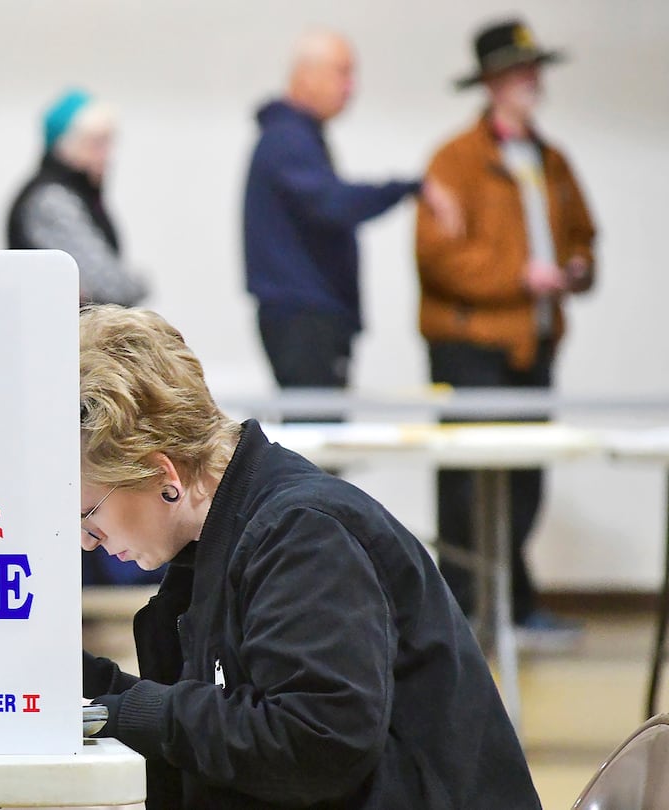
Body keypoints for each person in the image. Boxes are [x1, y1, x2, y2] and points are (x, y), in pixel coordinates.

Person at [78, 305, 540, 809]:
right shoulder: (219, 543)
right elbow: (215, 721)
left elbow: (316, 741)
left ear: (160, 472)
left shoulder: (305, 533)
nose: (87, 539)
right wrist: (86, 688)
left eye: (88, 511)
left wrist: (121, 713)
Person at [416, 18, 596, 641]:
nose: (531, 81)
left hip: (534, 345)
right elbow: (440, 257)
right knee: (467, 484)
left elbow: (583, 235)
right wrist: (521, 276)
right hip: (470, 347)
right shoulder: (454, 159)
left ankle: (514, 606)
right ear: (491, 82)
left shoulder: (551, 160)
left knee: (526, 479)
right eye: (519, 71)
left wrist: (576, 269)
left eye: (534, 69)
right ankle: (461, 613)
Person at [244, 30, 460, 393]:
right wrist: (409, 188)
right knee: (318, 434)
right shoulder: (288, 140)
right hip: (305, 316)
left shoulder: (296, 137)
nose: (351, 87)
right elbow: (334, 203)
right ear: (307, 75)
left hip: (309, 314)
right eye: (342, 73)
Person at [7, 88, 150, 308]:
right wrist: (141, 283)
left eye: (109, 142)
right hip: (64, 335)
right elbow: (109, 285)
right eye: (97, 143)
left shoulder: (77, 194)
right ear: (67, 145)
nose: (107, 154)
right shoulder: (50, 200)